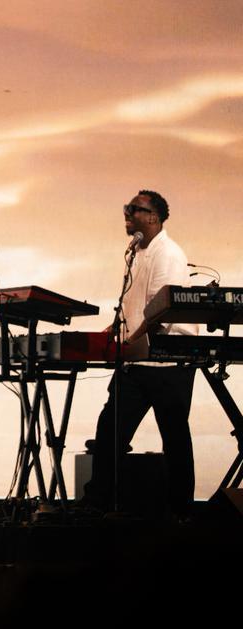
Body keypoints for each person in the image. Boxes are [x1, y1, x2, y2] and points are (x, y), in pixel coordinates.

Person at [82, 190, 198, 517]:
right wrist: (112, 331)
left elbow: (160, 311)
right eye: (127, 208)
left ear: (154, 217)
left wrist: (131, 338)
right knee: (110, 433)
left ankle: (181, 512)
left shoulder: (168, 254)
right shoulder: (135, 252)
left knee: (174, 437)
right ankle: (97, 503)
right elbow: (133, 307)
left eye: (135, 209)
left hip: (166, 362)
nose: (128, 213)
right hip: (137, 359)